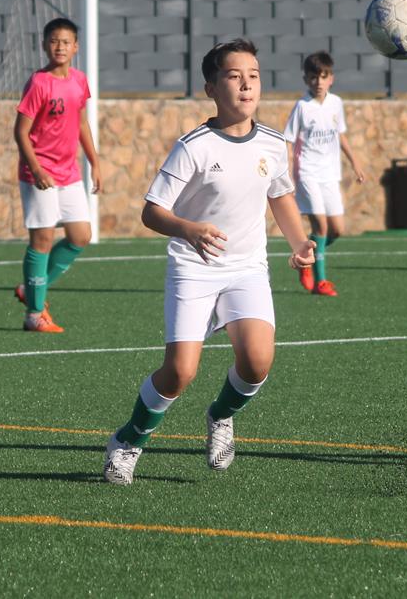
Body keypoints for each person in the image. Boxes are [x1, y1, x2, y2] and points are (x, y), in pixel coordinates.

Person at [102, 38, 315, 485]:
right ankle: (128, 440)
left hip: (246, 268)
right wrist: (188, 229)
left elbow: (280, 195)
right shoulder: (193, 146)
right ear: (211, 89)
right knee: (179, 372)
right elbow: (152, 211)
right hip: (193, 267)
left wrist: (299, 243)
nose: (246, 85)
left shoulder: (273, 143)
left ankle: (221, 416)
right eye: (234, 76)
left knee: (257, 361)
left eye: (253, 76)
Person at [12, 18, 102, 333]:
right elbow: (20, 132)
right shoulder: (39, 83)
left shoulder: (79, 80)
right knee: (43, 240)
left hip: (69, 173)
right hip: (39, 173)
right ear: (44, 45)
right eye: (53, 41)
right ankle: (34, 314)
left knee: (80, 236)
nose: (59, 46)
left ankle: (30, 289)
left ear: (75, 47)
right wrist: (36, 169)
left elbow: (81, 122)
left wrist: (94, 161)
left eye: (65, 41)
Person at [282, 51, 366, 297]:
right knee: (320, 227)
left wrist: (355, 163)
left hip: (330, 175)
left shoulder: (336, 103)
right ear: (306, 79)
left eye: (323, 76)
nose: (318, 82)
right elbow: (288, 140)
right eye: (313, 77)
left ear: (331, 78)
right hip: (307, 172)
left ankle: (306, 257)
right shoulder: (302, 107)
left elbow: (340, 135)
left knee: (336, 230)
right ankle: (321, 282)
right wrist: (287, 173)